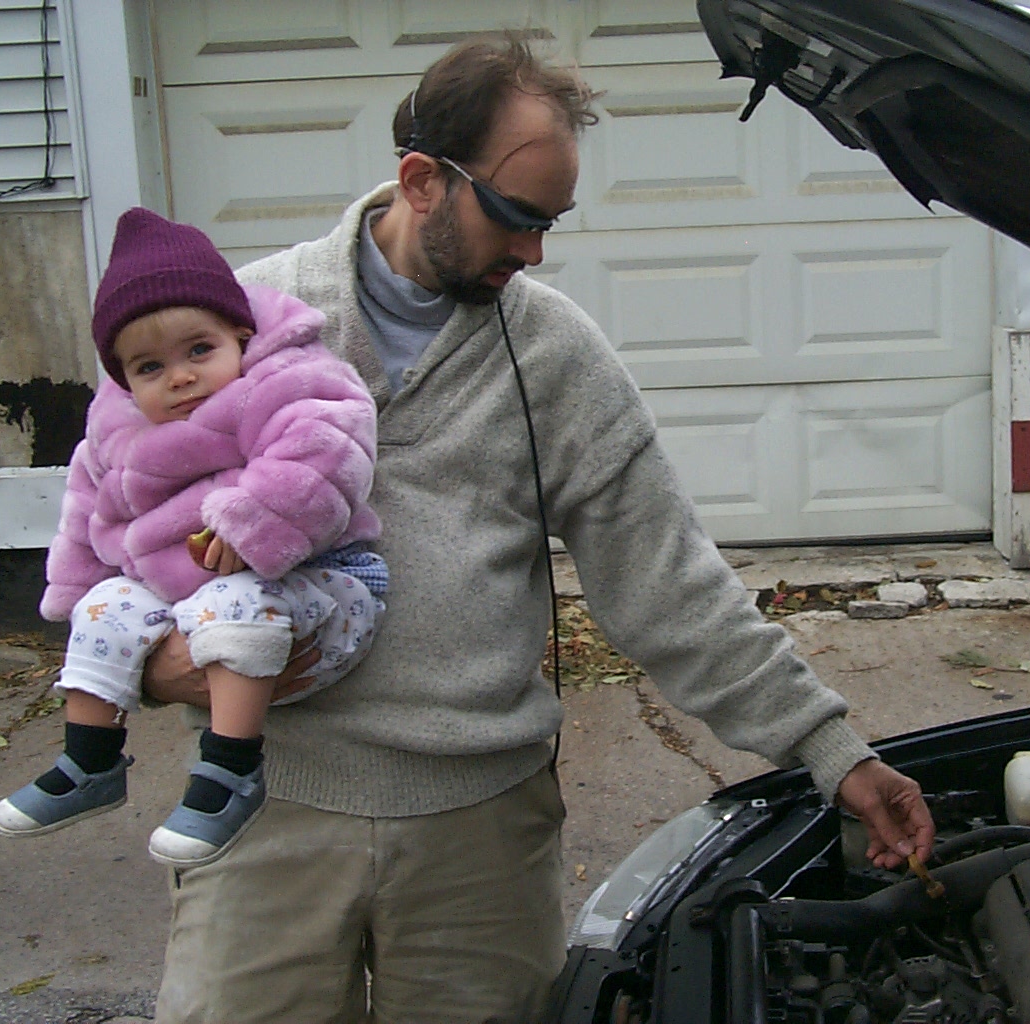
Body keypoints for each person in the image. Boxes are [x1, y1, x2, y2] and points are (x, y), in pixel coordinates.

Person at [143, 34, 935, 1024]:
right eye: (517, 217)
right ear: (423, 181)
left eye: (550, 222)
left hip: (479, 836)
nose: (534, 253)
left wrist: (832, 749)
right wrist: (148, 664)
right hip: (265, 807)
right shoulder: (240, 327)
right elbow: (110, 521)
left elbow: (670, 584)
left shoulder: (556, 355)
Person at [0, 207, 384, 870]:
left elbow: (325, 451)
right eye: (150, 367)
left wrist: (252, 520)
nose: (180, 376)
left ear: (240, 335)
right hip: (191, 597)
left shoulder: (287, 381)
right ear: (123, 380)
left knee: (232, 604)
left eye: (199, 350)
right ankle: (91, 759)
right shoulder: (114, 430)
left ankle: (232, 768)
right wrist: (78, 598)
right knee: (104, 607)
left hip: (324, 587)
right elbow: (85, 511)